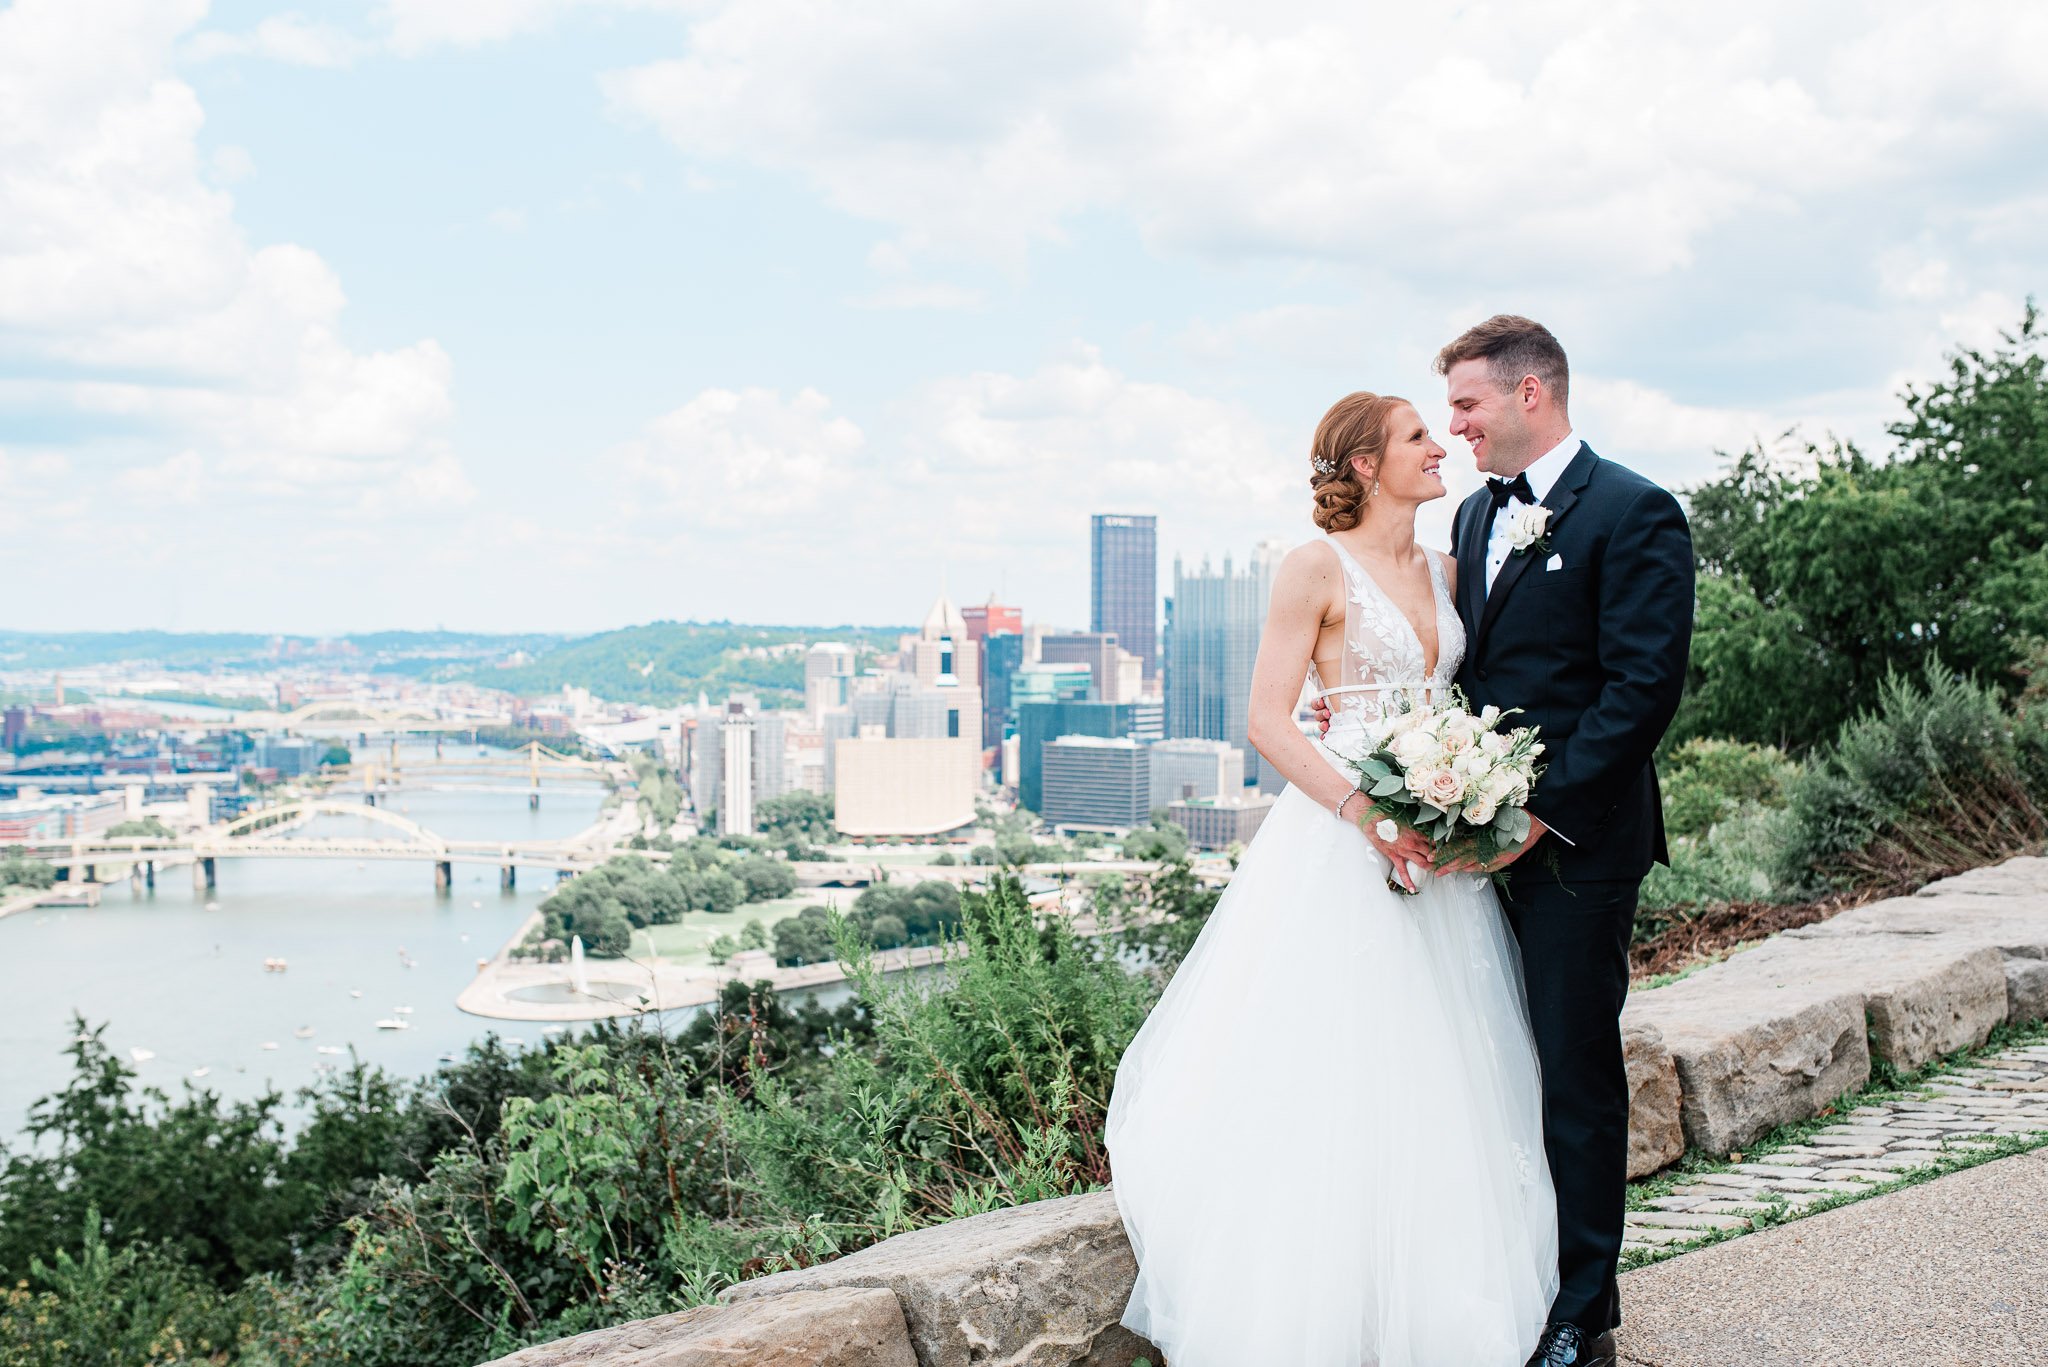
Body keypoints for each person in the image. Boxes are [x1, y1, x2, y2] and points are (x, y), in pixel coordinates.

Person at [1106, 390, 1559, 1367]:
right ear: (1362, 463)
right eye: (1414, 438)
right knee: (1338, 1064)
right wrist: (1367, 812)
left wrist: (1468, 798)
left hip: (1441, 856)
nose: (1438, 447)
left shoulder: (1446, 567)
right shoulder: (1312, 568)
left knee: (1446, 1069)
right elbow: (1267, 720)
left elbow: (1464, 701)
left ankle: (1438, 1305)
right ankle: (1322, 1317)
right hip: (1340, 844)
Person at [1319, 317, 1694, 1367]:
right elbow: (1453, 674)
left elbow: (1637, 693)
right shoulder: (1476, 520)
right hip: (1466, 842)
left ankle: (1582, 1311)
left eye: (1467, 407)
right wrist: (1371, 740)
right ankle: (1505, 1281)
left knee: (1572, 1072)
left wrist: (1533, 818)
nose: (1454, 428)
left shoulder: (1632, 511)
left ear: (1530, 395)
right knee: (1486, 1066)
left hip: (1577, 843)